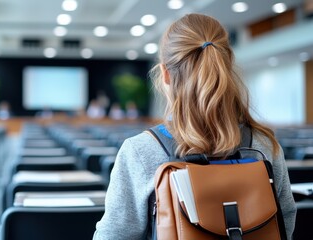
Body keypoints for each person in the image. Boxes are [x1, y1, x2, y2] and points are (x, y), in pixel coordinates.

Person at [93, 13, 296, 239]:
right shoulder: (265, 144)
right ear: (226, 67)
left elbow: (114, 235)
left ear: (165, 74)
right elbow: (284, 221)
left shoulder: (139, 151)